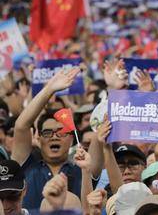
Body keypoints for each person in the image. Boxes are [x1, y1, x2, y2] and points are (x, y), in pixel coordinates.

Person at [11, 68, 101, 210]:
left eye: (61, 132)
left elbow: (99, 133)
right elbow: (21, 126)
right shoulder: (26, 167)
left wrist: (116, 89)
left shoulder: (83, 168)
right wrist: (50, 89)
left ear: (71, 139)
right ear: (38, 138)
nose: (54, 136)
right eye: (47, 133)